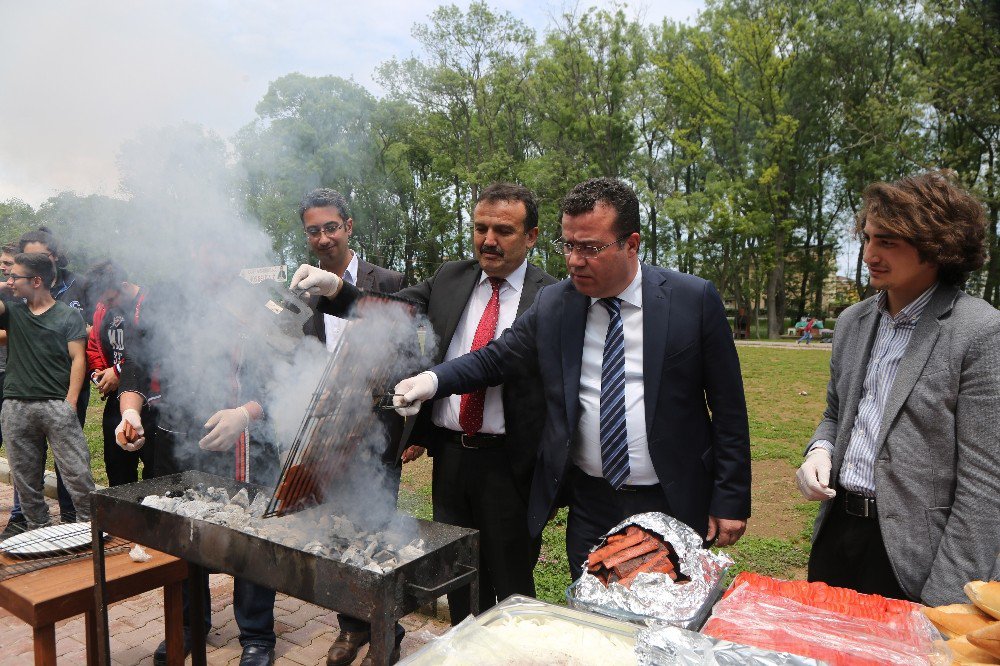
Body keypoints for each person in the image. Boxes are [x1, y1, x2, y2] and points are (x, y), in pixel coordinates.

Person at [381, 177, 752, 579]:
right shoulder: (558, 302)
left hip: (672, 496)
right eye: (569, 245)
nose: (574, 260)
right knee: (593, 614)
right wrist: (432, 381)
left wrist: (730, 498)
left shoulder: (691, 300)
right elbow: (496, 358)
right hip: (589, 499)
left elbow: (729, 407)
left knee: (666, 619)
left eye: (590, 247)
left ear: (631, 243)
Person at [293, 183, 557, 664]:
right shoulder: (452, 278)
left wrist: (433, 380)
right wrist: (338, 290)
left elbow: (499, 359)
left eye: (504, 230)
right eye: (480, 228)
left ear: (532, 235)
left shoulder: (550, 296)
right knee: (458, 575)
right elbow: (391, 308)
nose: (489, 240)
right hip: (453, 458)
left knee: (513, 582)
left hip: (510, 463)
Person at [795, 172, 1000, 606]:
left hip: (916, 558)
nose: (869, 253)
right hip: (837, 535)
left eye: (888, 242)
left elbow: (985, 483)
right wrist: (820, 450)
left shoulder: (979, 332)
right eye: (868, 238)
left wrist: (946, 599)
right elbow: (836, 413)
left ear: (937, 246)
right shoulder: (852, 322)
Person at [118, 257, 279, 666]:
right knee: (184, 534)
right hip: (179, 440)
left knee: (251, 536)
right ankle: (191, 622)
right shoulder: (166, 300)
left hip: (246, 439)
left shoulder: (258, 303)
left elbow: (281, 376)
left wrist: (245, 412)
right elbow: (137, 366)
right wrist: (131, 411)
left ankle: (257, 634)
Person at [296, 188, 407, 666]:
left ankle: (387, 628)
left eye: (331, 227)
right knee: (337, 530)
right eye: (313, 231)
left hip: (379, 429)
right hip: (327, 429)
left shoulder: (390, 280)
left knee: (378, 529)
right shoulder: (301, 290)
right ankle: (350, 627)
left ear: (349, 226)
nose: (323, 238)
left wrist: (412, 433)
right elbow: (297, 356)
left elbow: (408, 350)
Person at [0, 252, 96, 529]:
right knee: (25, 478)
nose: (10, 280)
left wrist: (71, 401)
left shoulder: (68, 316)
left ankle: (89, 527)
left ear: (37, 281)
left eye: (15, 276)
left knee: (77, 473)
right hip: (15, 405)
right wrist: (7, 286)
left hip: (56, 404)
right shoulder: (13, 313)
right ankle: (36, 529)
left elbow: (79, 358)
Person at [85, 260, 154, 486]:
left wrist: (118, 371)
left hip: (151, 400)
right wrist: (98, 373)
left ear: (124, 285)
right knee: (118, 468)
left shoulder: (149, 304)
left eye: (111, 299)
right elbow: (94, 343)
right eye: (104, 301)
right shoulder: (104, 309)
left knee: (155, 470)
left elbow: (149, 352)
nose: (108, 305)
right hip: (116, 400)